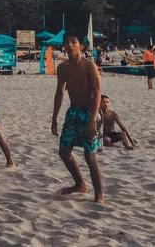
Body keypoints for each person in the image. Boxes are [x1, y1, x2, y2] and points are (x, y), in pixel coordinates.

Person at [52, 31, 104, 203]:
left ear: (80, 46)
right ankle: (80, 184)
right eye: (66, 42)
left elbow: (97, 93)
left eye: (73, 41)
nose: (69, 45)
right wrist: (54, 117)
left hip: (90, 112)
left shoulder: (89, 66)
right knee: (64, 152)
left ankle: (99, 195)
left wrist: (92, 121)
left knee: (90, 156)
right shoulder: (63, 68)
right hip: (73, 112)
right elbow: (60, 92)